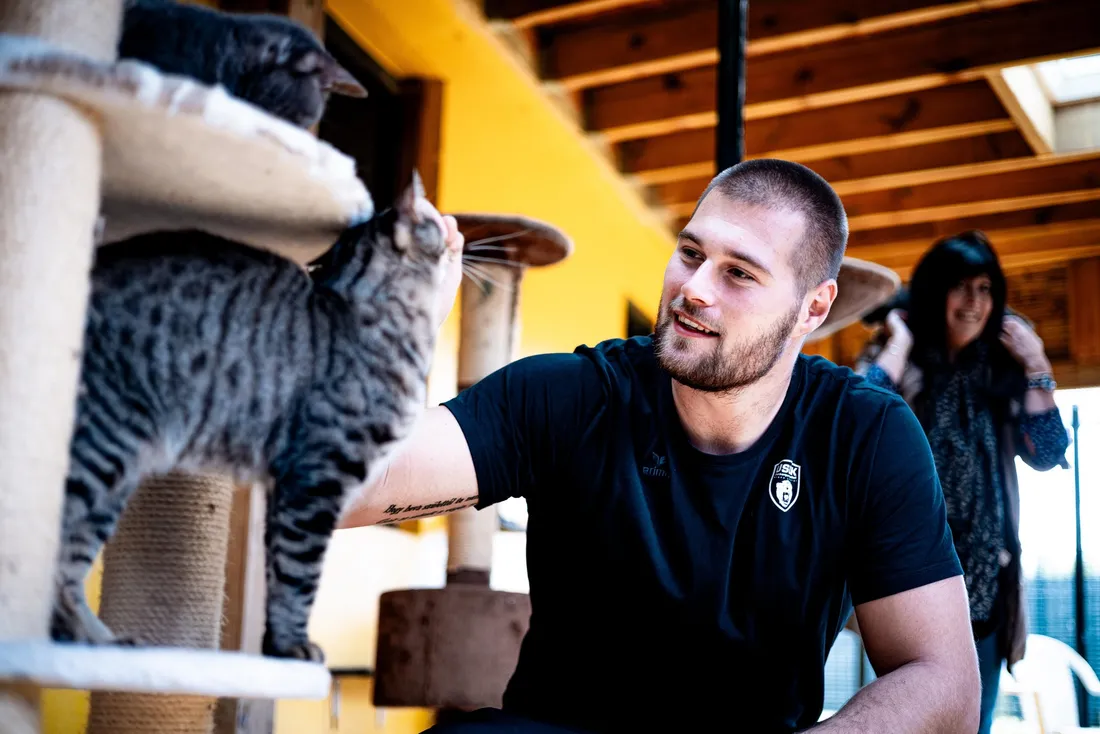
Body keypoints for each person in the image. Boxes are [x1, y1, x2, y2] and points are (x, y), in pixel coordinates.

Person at [340, 159, 981, 733]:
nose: (696, 287)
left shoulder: (866, 435)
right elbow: (357, 485)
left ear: (813, 309)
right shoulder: (569, 395)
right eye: (691, 253)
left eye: (739, 273)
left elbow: (946, 682)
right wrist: (395, 326)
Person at [854, 230, 1070, 734]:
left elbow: (1051, 451)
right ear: (934, 293)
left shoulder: (1003, 366)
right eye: (961, 287)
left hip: (986, 590)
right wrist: (899, 343)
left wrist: (1037, 362)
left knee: (972, 723)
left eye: (985, 288)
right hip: (902, 584)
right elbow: (856, 422)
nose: (974, 303)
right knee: (899, 720)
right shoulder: (900, 360)